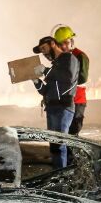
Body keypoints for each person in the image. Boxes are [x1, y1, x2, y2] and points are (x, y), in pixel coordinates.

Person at [32, 34, 79, 167]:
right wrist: (36, 81)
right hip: (52, 108)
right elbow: (45, 91)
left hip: (63, 108)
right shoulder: (54, 66)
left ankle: (62, 175)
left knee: (59, 144)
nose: (43, 52)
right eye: (41, 50)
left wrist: (45, 71)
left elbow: (68, 77)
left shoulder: (69, 58)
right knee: (54, 145)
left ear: (52, 43)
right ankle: (58, 173)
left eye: (44, 48)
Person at [51, 25, 90, 135]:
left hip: (77, 100)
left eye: (66, 43)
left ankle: (72, 151)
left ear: (72, 41)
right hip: (62, 100)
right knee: (62, 130)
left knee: (74, 128)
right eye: (60, 44)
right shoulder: (59, 58)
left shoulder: (80, 56)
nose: (63, 46)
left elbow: (82, 78)